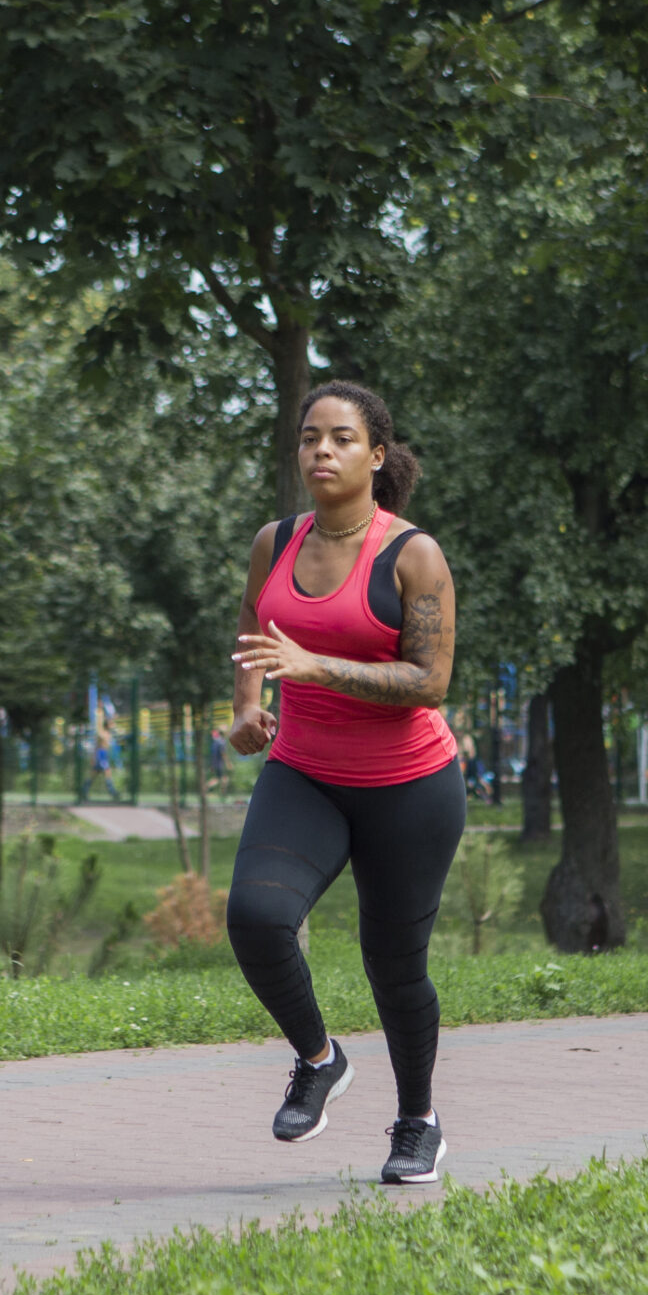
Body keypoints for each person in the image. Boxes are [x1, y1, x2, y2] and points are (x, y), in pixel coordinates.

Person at [228, 380, 460, 1186]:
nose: (320, 451)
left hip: (410, 785)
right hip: (306, 769)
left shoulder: (413, 554)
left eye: (340, 438)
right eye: (308, 438)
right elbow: (255, 630)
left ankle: (418, 1121)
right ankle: (318, 1057)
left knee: (394, 964)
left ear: (376, 455)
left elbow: (430, 682)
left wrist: (315, 666)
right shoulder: (277, 540)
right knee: (257, 915)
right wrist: (250, 708)